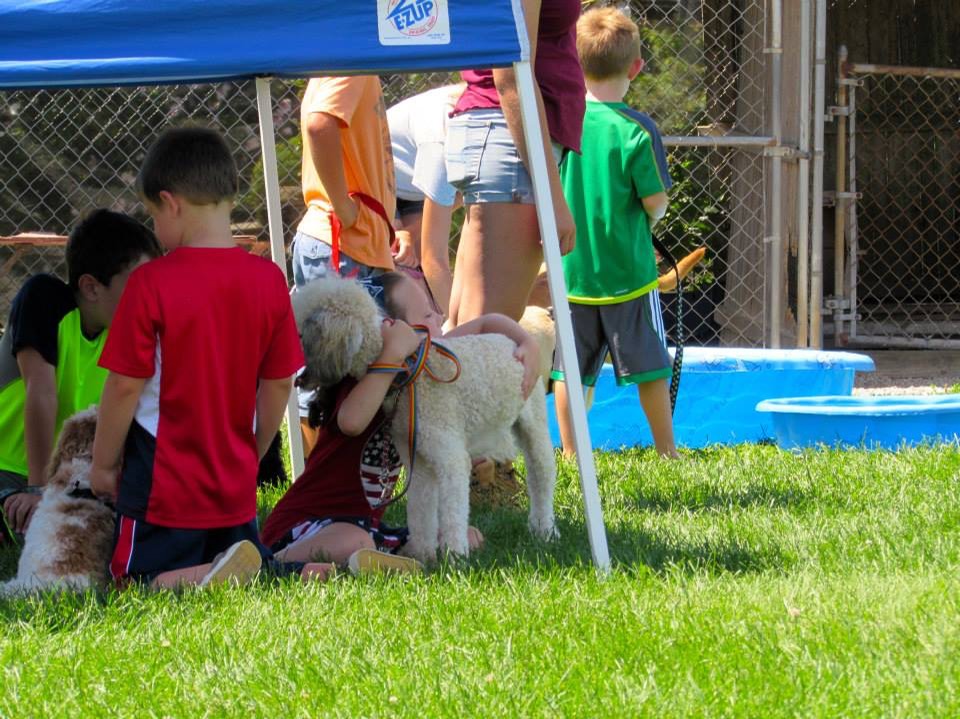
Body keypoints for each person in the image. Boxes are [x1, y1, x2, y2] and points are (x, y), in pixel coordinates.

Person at [89, 127, 329, 588]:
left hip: (163, 487)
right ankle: (301, 571)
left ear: (170, 202)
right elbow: (279, 381)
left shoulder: (149, 284)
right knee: (247, 558)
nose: (155, 230)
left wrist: (102, 465)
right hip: (233, 484)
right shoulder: (268, 279)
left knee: (132, 581)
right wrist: (257, 447)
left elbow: (123, 386)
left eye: (152, 215)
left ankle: (211, 574)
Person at [261, 271, 542, 569]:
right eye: (427, 314)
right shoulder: (361, 379)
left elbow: (486, 323)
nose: (440, 316)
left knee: (468, 536)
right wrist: (393, 353)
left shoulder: (425, 361)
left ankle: (378, 561)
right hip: (309, 524)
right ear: (390, 328)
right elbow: (352, 422)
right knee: (354, 542)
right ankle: (269, 562)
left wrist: (526, 342)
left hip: (363, 523)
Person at [552, 6, 679, 459]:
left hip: (572, 275)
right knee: (651, 368)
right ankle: (667, 450)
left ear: (573, 62)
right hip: (630, 275)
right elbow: (655, 202)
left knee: (569, 369)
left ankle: (570, 454)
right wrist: (652, 219)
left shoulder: (562, 122)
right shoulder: (638, 130)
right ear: (636, 67)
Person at [0, 210, 163, 539]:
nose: (151, 297)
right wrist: (37, 491)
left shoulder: (130, 330)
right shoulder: (43, 298)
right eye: (139, 284)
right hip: (12, 471)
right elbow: (41, 393)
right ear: (90, 287)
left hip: (68, 475)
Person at [445, 0, 584, 327]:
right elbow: (511, 77)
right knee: (489, 331)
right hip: (508, 143)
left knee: (468, 327)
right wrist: (553, 199)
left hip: (503, 142)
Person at [292, 75, 397, 458]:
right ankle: (325, 484)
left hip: (349, 242)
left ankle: (330, 482)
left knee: (335, 372)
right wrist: (344, 206)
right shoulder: (350, 62)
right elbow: (319, 124)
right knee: (331, 373)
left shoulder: (353, 63)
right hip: (340, 243)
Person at [387, 83, 464, 317]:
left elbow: (456, 199)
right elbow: (434, 260)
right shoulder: (441, 141)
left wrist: (412, 230)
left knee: (425, 293)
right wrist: (464, 331)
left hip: (415, 186)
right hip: (378, 185)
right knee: (405, 273)